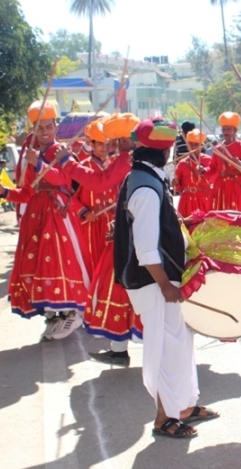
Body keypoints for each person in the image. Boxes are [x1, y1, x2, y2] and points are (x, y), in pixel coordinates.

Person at [113, 118, 218, 439]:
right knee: (162, 348)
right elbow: (146, 248)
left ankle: (183, 406)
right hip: (156, 282)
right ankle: (163, 417)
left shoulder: (148, 179)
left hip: (166, 280)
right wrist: (165, 285)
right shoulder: (145, 186)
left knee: (179, 344)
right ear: (168, 150)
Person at [0, 101, 92, 340]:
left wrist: (38, 162)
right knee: (35, 264)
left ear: (56, 126)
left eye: (49, 127)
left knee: (60, 263)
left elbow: (62, 180)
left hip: (58, 215)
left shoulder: (61, 151)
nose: (45, 132)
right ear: (33, 130)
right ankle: (52, 315)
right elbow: (27, 192)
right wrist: (4, 191)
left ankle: (72, 311)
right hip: (35, 217)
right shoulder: (30, 154)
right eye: (40, 128)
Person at [85, 112, 142, 366]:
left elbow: (100, 184)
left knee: (121, 288)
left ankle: (126, 349)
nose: (115, 146)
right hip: (126, 231)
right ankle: (119, 349)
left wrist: (66, 164)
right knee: (118, 289)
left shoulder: (124, 160)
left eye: (118, 140)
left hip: (129, 235)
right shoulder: (134, 158)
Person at [74, 121, 117, 264]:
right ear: (91, 145)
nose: (104, 148)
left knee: (111, 262)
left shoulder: (113, 166)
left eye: (106, 144)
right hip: (91, 223)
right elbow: (70, 197)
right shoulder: (83, 167)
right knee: (92, 262)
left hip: (111, 222)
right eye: (100, 144)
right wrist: (84, 212)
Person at [209, 112, 241, 214]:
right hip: (221, 188)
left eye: (229, 129)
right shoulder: (217, 149)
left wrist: (240, 163)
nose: (226, 132)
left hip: (238, 186)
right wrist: (203, 171)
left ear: (235, 130)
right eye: (224, 129)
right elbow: (212, 168)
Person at [174, 129, 214, 218]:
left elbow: (214, 177)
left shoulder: (208, 160)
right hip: (187, 199)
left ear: (202, 146)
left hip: (204, 198)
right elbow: (178, 186)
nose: (193, 147)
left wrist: (204, 171)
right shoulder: (182, 163)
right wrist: (175, 183)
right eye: (190, 144)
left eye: (196, 144)